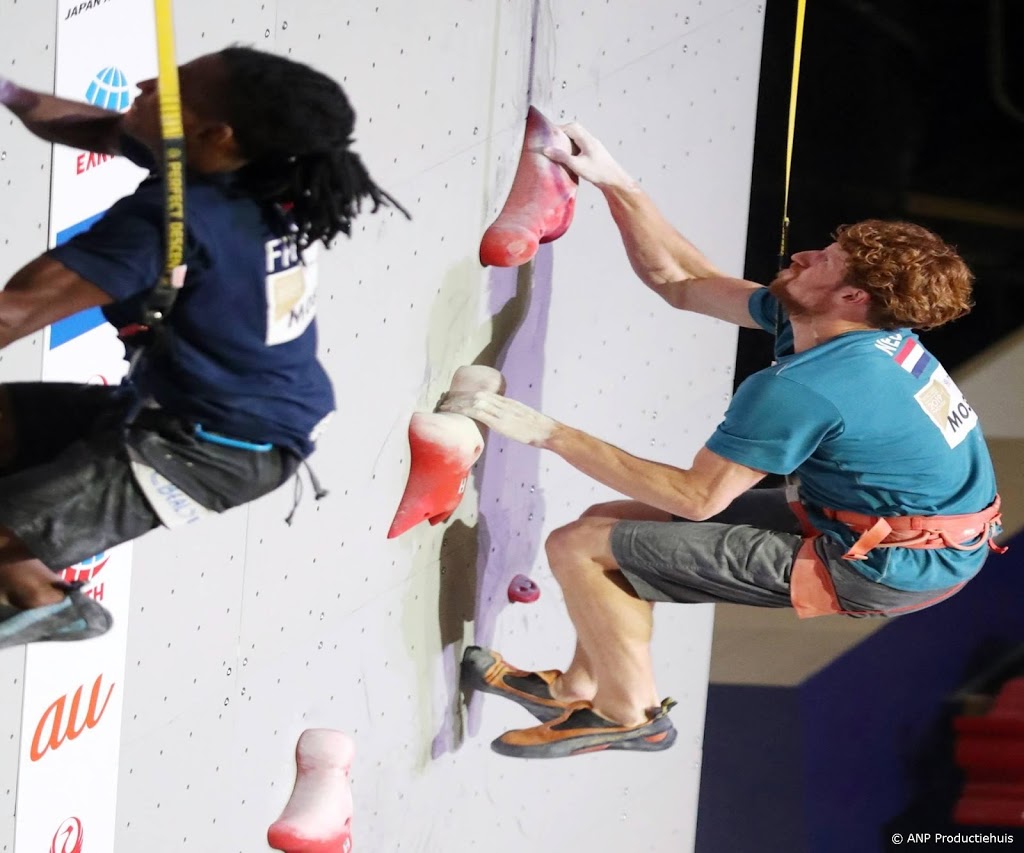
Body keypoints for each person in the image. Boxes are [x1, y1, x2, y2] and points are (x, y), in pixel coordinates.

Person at [445, 122, 1002, 759]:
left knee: (581, 546)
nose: (800, 256)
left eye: (822, 260)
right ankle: (576, 685)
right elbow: (681, 281)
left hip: (888, 563)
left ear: (852, 295)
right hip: (902, 524)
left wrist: (547, 432)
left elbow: (694, 498)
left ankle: (631, 714)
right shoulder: (840, 328)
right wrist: (616, 182)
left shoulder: (811, 384)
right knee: (609, 521)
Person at [0, 46, 406, 648]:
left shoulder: (172, 225)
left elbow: (12, 314)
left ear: (215, 132)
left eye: (172, 86)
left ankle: (40, 599)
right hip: (190, 411)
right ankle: (37, 594)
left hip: (214, 448)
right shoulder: (245, 174)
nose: (142, 82)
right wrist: (8, 90)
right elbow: (96, 126)